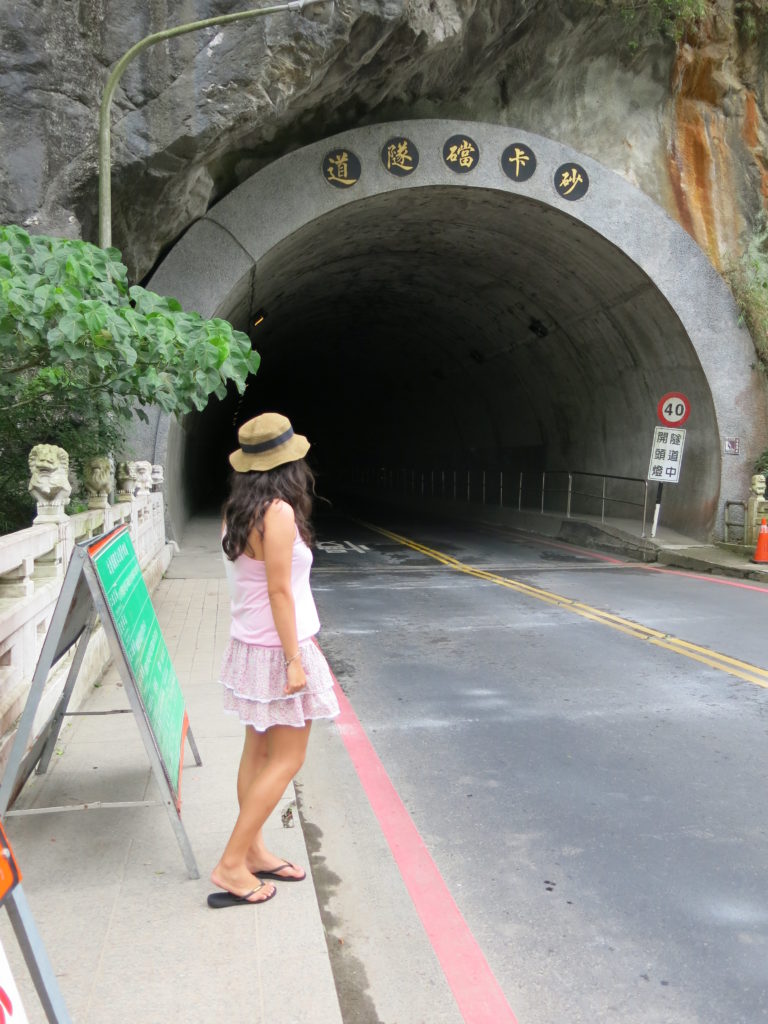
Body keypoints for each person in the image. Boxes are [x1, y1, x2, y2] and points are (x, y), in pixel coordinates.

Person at [208, 412, 340, 909]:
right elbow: (280, 592)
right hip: (278, 649)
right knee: (288, 758)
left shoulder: (236, 511)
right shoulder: (279, 512)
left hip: (248, 645)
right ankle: (231, 862)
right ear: (289, 464)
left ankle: (255, 850)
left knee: (257, 752)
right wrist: (294, 661)